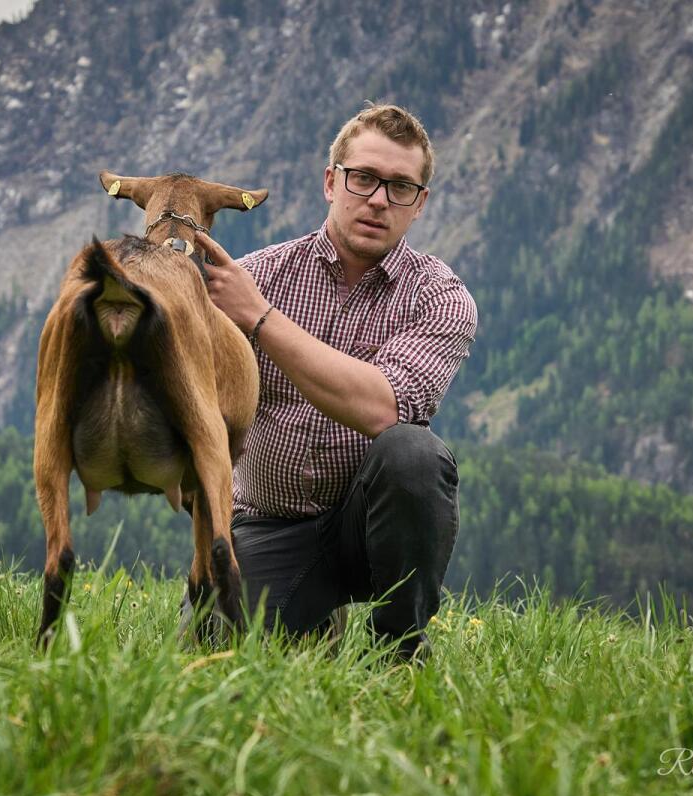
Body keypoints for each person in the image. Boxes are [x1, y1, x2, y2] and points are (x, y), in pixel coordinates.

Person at [192, 103, 478, 661]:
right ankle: (316, 619)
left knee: (412, 452)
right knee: (213, 653)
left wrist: (262, 321)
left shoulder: (441, 297)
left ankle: (398, 653)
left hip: (370, 531)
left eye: (400, 187)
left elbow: (384, 410)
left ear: (419, 205)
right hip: (268, 523)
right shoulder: (256, 277)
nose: (377, 199)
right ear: (331, 182)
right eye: (364, 177)